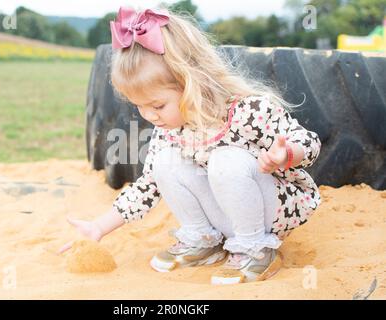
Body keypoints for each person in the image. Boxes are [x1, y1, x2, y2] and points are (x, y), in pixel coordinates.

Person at [59, 6, 322, 285]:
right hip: (225, 213)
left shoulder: (247, 110)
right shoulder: (170, 130)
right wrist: (99, 226)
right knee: (165, 162)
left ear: (191, 82)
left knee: (226, 160)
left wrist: (287, 154)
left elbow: (309, 142)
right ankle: (203, 238)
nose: (148, 115)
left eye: (157, 105)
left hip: (271, 210)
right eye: (139, 106)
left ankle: (256, 248)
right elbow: (147, 187)